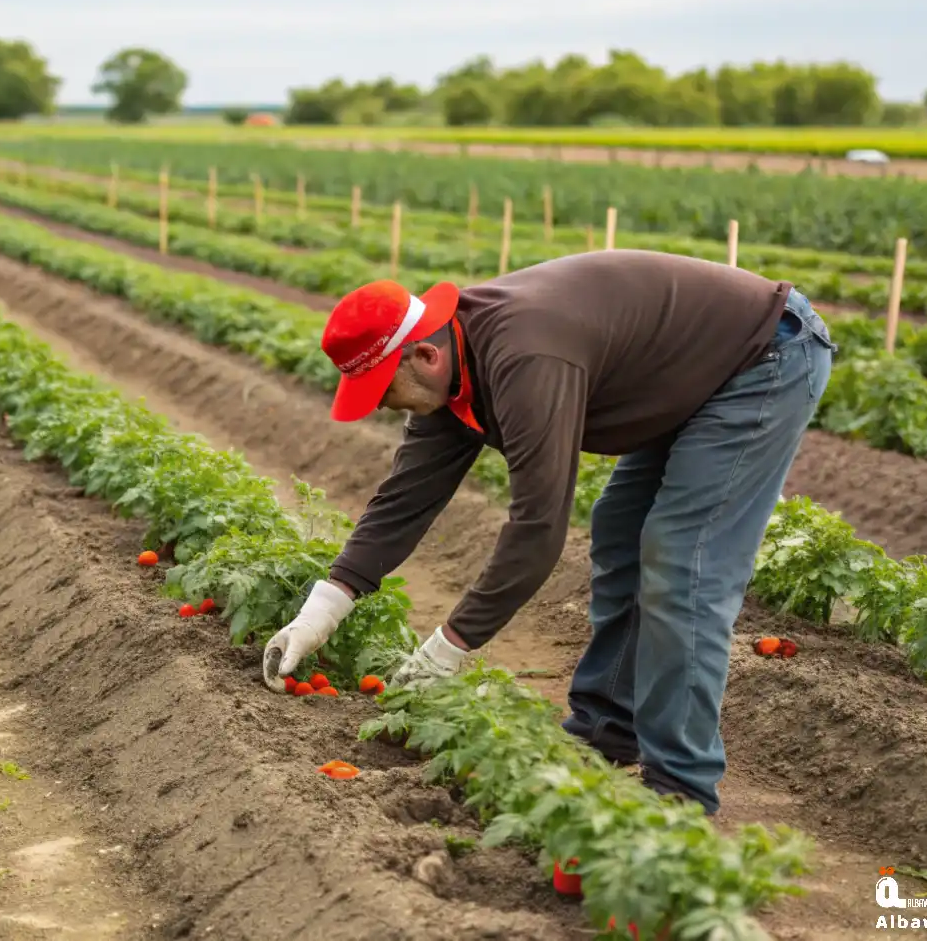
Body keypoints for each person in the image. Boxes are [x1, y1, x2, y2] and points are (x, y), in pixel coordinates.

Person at [262, 250, 834, 814]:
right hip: (689, 372)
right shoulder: (452, 374)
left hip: (762, 357)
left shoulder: (525, 357)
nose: (385, 407)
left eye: (385, 390)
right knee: (619, 532)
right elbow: (402, 502)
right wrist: (321, 612)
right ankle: (607, 728)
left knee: (683, 561)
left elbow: (539, 526)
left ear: (426, 355)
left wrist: (449, 646)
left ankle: (681, 787)